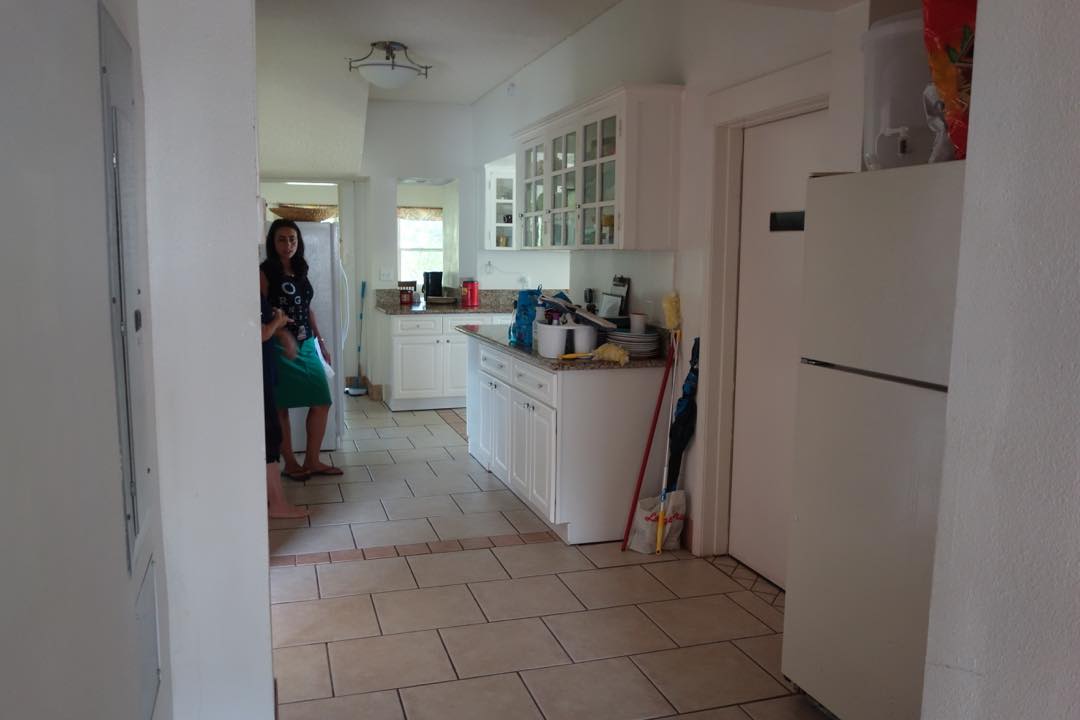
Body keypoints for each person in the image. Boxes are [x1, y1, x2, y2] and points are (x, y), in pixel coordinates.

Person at [259, 219, 343, 479]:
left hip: (306, 344)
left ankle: (313, 460)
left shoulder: (300, 269)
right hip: (278, 346)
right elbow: (261, 311)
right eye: (282, 239)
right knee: (280, 406)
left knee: (321, 401)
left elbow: (307, 308)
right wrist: (282, 334)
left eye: (292, 239)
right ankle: (290, 464)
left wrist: (320, 342)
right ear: (273, 243)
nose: (288, 244)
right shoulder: (264, 272)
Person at [262, 296, 308, 519]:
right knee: (269, 437)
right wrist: (278, 323)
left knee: (269, 435)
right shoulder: (239, 286)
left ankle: (273, 501)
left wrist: (278, 325)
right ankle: (277, 504)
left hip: (264, 369)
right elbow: (259, 332)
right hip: (258, 373)